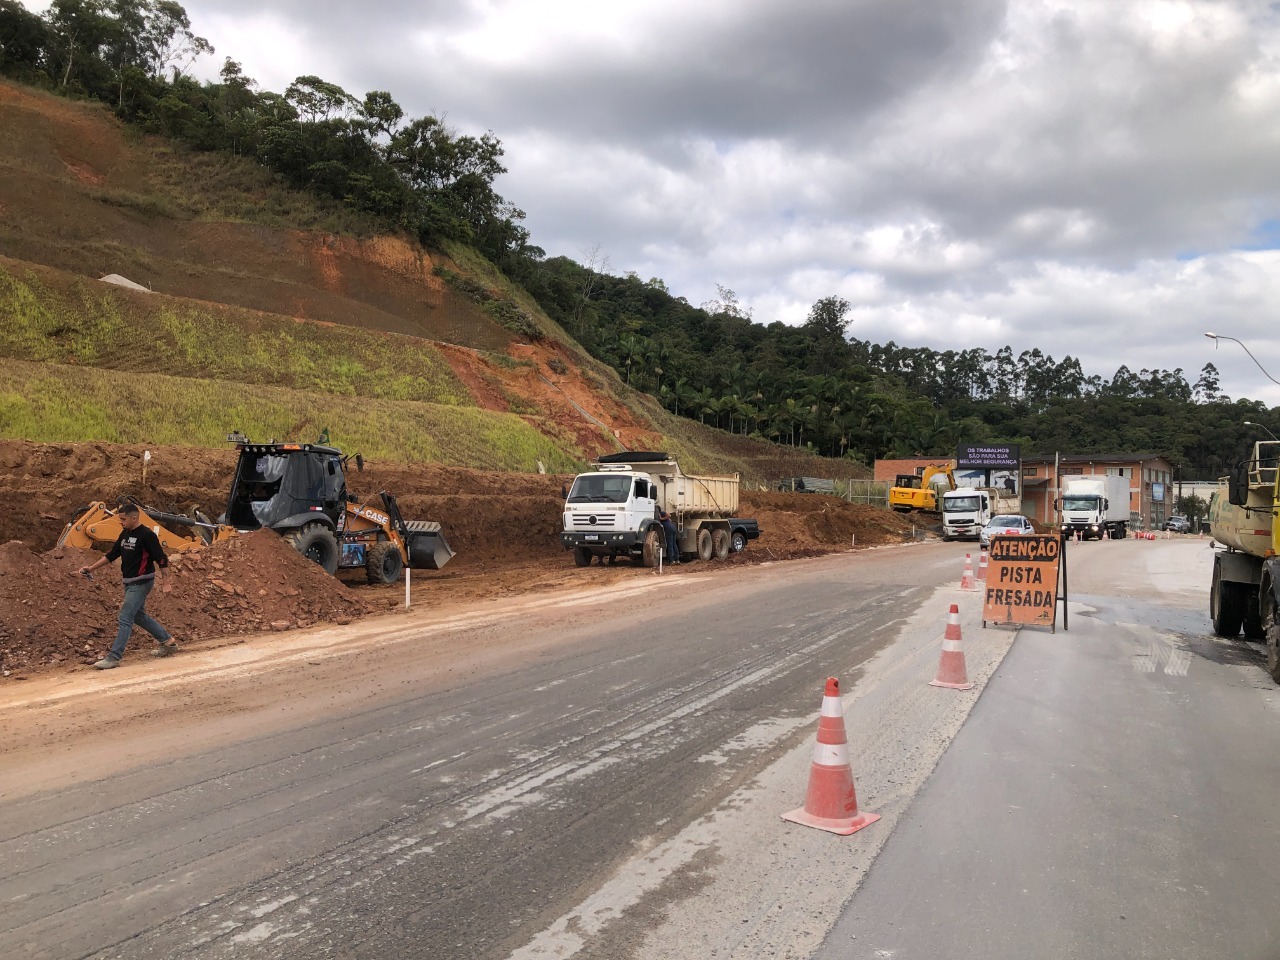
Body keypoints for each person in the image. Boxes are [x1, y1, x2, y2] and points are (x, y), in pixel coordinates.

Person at [79, 503, 178, 668]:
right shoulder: (125, 533)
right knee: (138, 616)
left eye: (124, 519)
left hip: (141, 582)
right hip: (129, 582)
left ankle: (114, 657)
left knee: (125, 617)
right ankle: (168, 641)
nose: (121, 522)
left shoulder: (147, 535)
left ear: (134, 518)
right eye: (120, 519)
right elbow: (112, 554)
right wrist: (91, 568)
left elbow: (161, 559)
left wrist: (166, 582)